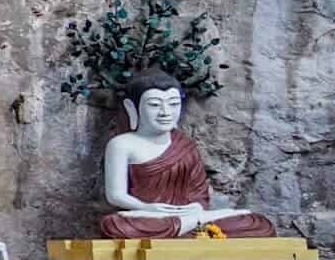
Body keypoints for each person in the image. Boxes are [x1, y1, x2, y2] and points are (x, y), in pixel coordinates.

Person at [100, 70, 275, 239]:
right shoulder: (121, 144)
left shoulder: (185, 146)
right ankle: (191, 227)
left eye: (173, 104)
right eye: (154, 104)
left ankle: (190, 225)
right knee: (115, 225)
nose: (165, 112)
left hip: (188, 217)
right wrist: (148, 208)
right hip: (148, 217)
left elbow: (199, 193)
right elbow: (116, 196)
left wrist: (196, 207)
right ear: (132, 107)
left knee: (257, 223)